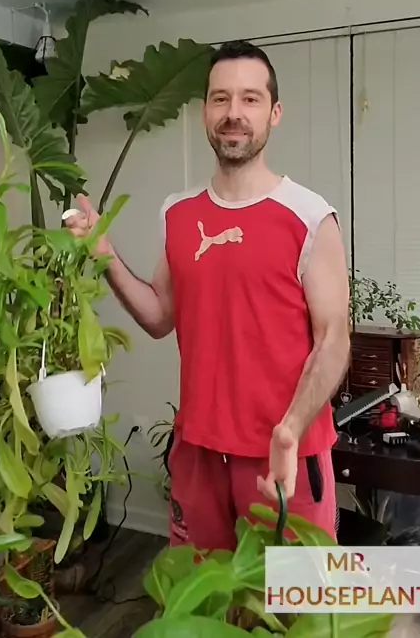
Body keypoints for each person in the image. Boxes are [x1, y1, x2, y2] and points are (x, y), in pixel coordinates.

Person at [64, 39, 350, 549]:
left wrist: (290, 429)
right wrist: (103, 253)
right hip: (198, 453)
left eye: (250, 98)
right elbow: (159, 316)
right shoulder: (178, 213)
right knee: (194, 594)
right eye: (221, 98)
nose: (233, 112)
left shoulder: (310, 216)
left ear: (274, 113)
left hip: (284, 456)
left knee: (292, 596)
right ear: (205, 112)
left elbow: (334, 341)